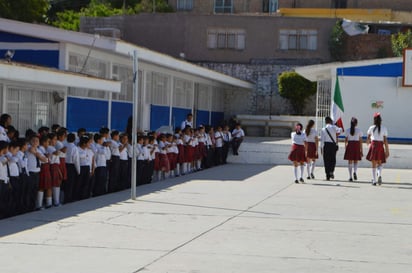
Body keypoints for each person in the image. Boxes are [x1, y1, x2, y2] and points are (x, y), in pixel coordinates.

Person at [366, 112, 389, 186]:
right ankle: (379, 174)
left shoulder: (371, 128)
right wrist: (387, 150)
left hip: (373, 145)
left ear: (374, 120)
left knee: (373, 164)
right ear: (380, 120)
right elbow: (385, 140)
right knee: (380, 162)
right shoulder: (384, 128)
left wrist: (368, 142)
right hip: (380, 146)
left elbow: (368, 139)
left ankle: (374, 181)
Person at [320, 116, 342, 181]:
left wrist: (321, 148)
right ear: (330, 121)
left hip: (326, 145)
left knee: (326, 160)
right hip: (333, 145)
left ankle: (327, 176)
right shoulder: (334, 127)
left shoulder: (323, 129)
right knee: (333, 159)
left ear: (326, 121)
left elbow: (322, 140)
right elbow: (340, 130)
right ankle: (331, 171)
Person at [344, 117, 363, 182]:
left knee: (350, 161)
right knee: (356, 160)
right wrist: (361, 150)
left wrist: (346, 148)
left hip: (350, 145)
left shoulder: (347, 130)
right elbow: (360, 141)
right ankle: (355, 171)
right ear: (356, 123)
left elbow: (346, 141)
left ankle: (350, 176)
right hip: (356, 145)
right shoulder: (359, 130)